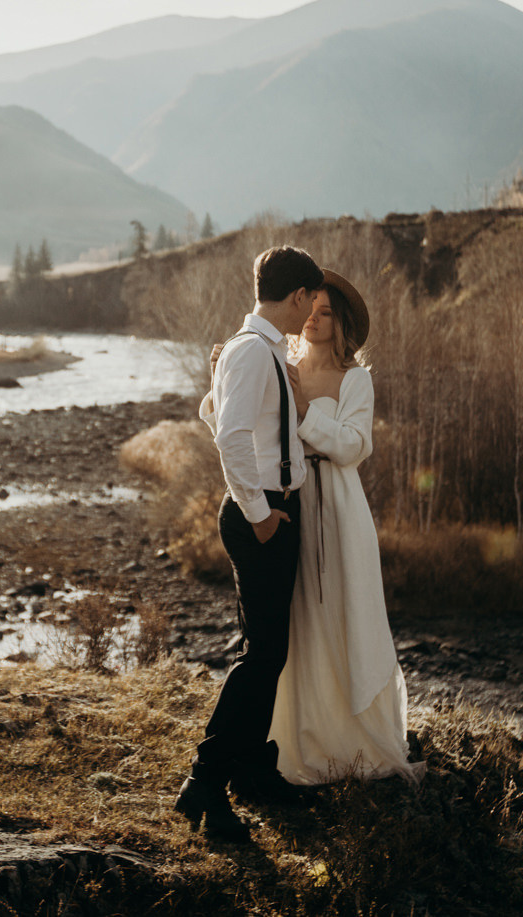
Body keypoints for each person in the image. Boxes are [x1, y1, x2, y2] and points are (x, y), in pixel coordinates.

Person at [173, 244, 323, 842]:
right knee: (262, 655)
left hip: (273, 509)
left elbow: (217, 414)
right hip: (258, 515)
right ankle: (205, 780)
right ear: (296, 296)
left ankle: (253, 770)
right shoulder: (250, 352)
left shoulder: (259, 352)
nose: (314, 309)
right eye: (311, 298)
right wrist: (261, 513)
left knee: (270, 652)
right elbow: (230, 438)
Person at [261, 271, 419, 785]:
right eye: (310, 307)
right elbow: (247, 425)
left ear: (341, 322)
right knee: (300, 617)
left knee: (346, 613)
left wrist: (305, 412)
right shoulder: (279, 366)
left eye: (326, 312)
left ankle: (357, 743)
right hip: (290, 503)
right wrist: (222, 373)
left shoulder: (357, 380)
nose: (313, 318)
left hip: (340, 508)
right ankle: (302, 738)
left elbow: (352, 446)